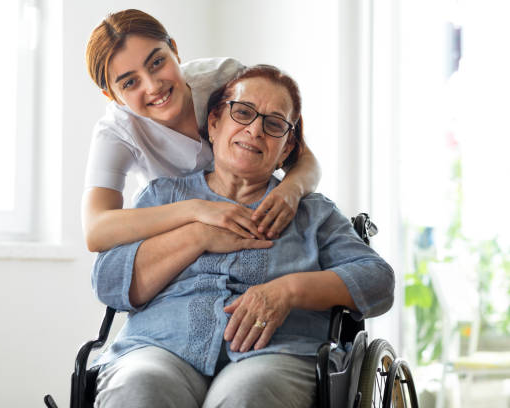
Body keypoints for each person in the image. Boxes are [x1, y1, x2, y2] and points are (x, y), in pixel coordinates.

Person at [90, 65, 395, 408]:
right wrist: (197, 236)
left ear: (286, 147)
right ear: (215, 124)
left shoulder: (313, 213)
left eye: (274, 123)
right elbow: (109, 282)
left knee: (247, 396)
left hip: (276, 355)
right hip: (160, 347)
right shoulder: (164, 197)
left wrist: (288, 290)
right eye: (243, 113)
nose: (255, 130)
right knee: (137, 387)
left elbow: (378, 280)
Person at [82, 9, 322, 253]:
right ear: (112, 96)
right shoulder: (116, 132)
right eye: (130, 82)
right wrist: (197, 209)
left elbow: (299, 153)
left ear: (174, 50)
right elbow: (95, 230)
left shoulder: (225, 78)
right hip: (182, 242)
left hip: (255, 219)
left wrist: (291, 190)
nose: (153, 86)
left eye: (157, 62)